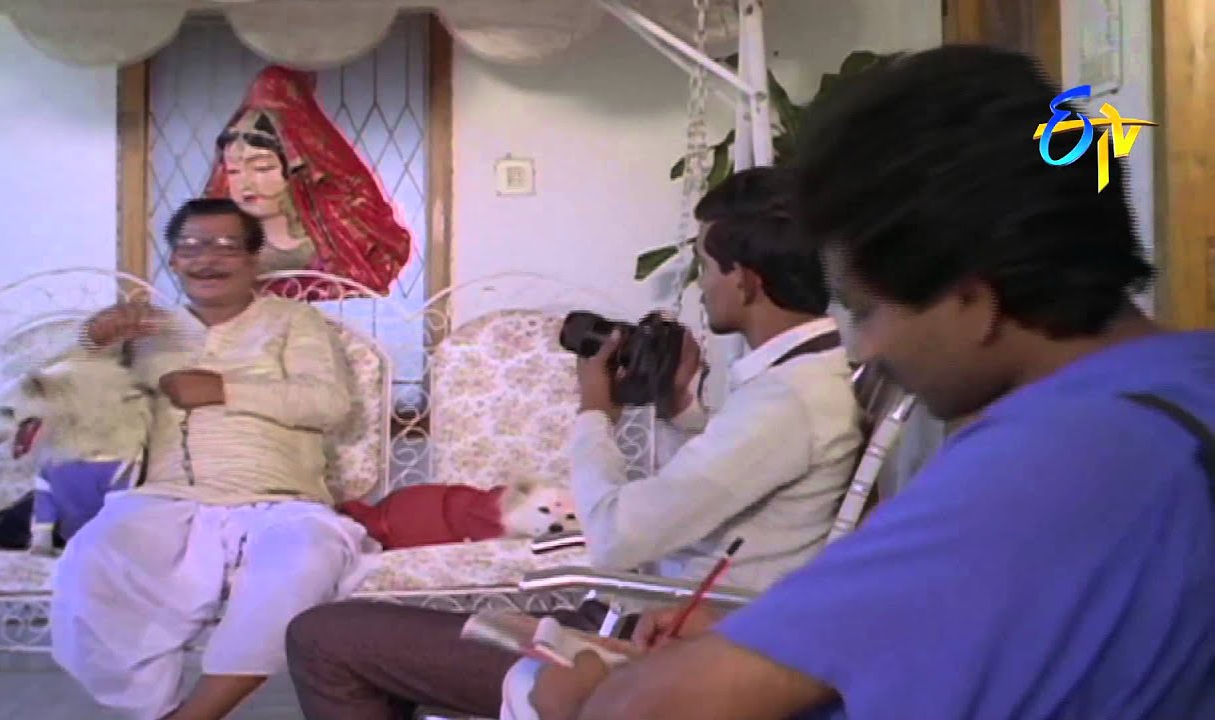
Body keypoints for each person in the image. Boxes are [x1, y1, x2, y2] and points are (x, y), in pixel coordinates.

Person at [520, 45, 1215, 720]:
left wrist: (583, 699)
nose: (865, 348)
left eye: (868, 310)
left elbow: (644, 710)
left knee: (542, 684)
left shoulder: (1042, 464)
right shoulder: (1182, 388)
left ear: (973, 300)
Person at [283, 165, 864, 720]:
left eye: (706, 266)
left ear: (745, 280)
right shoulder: (799, 379)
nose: (705, 286)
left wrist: (593, 412)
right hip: (655, 616)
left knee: (323, 638)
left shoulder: (787, 402)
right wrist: (679, 406)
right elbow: (729, 479)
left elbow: (613, 538)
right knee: (374, 642)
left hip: (655, 643)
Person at [50, 197, 380, 720]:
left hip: (278, 500)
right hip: (166, 500)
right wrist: (93, 341)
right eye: (191, 246)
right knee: (93, 560)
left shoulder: (294, 321)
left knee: (307, 556)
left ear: (254, 259)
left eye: (226, 246)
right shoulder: (147, 331)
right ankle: (153, 709)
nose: (207, 258)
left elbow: (329, 405)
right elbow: (65, 401)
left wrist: (225, 390)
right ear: (174, 260)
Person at [205, 64, 412, 298]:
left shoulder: (333, 236)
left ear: (297, 168)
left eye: (262, 168)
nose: (245, 183)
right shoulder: (223, 242)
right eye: (233, 171)